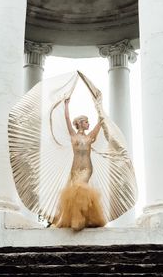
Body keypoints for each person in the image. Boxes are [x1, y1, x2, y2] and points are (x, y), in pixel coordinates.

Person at [53, 97, 107, 230]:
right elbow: (67, 120)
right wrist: (66, 105)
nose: (88, 124)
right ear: (80, 123)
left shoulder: (90, 137)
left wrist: (99, 106)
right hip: (75, 168)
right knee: (75, 192)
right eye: (86, 122)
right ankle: (77, 218)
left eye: (89, 122)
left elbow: (101, 121)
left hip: (87, 169)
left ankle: (79, 219)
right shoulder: (73, 136)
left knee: (80, 189)